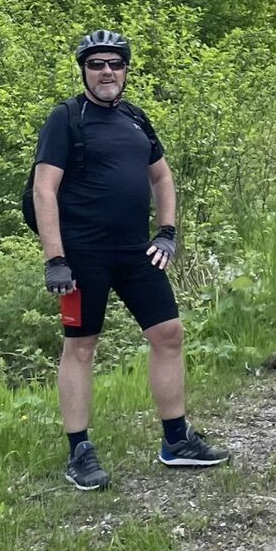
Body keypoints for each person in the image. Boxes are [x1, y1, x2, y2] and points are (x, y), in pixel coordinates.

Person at [32, 29, 229, 490]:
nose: (107, 72)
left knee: (168, 333)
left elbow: (162, 177)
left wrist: (168, 232)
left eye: (115, 63)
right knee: (81, 346)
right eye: (97, 64)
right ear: (84, 70)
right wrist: (55, 258)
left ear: (125, 69)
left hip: (136, 250)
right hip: (82, 256)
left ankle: (176, 440)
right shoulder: (66, 118)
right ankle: (80, 452)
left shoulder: (135, 118)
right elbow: (44, 188)